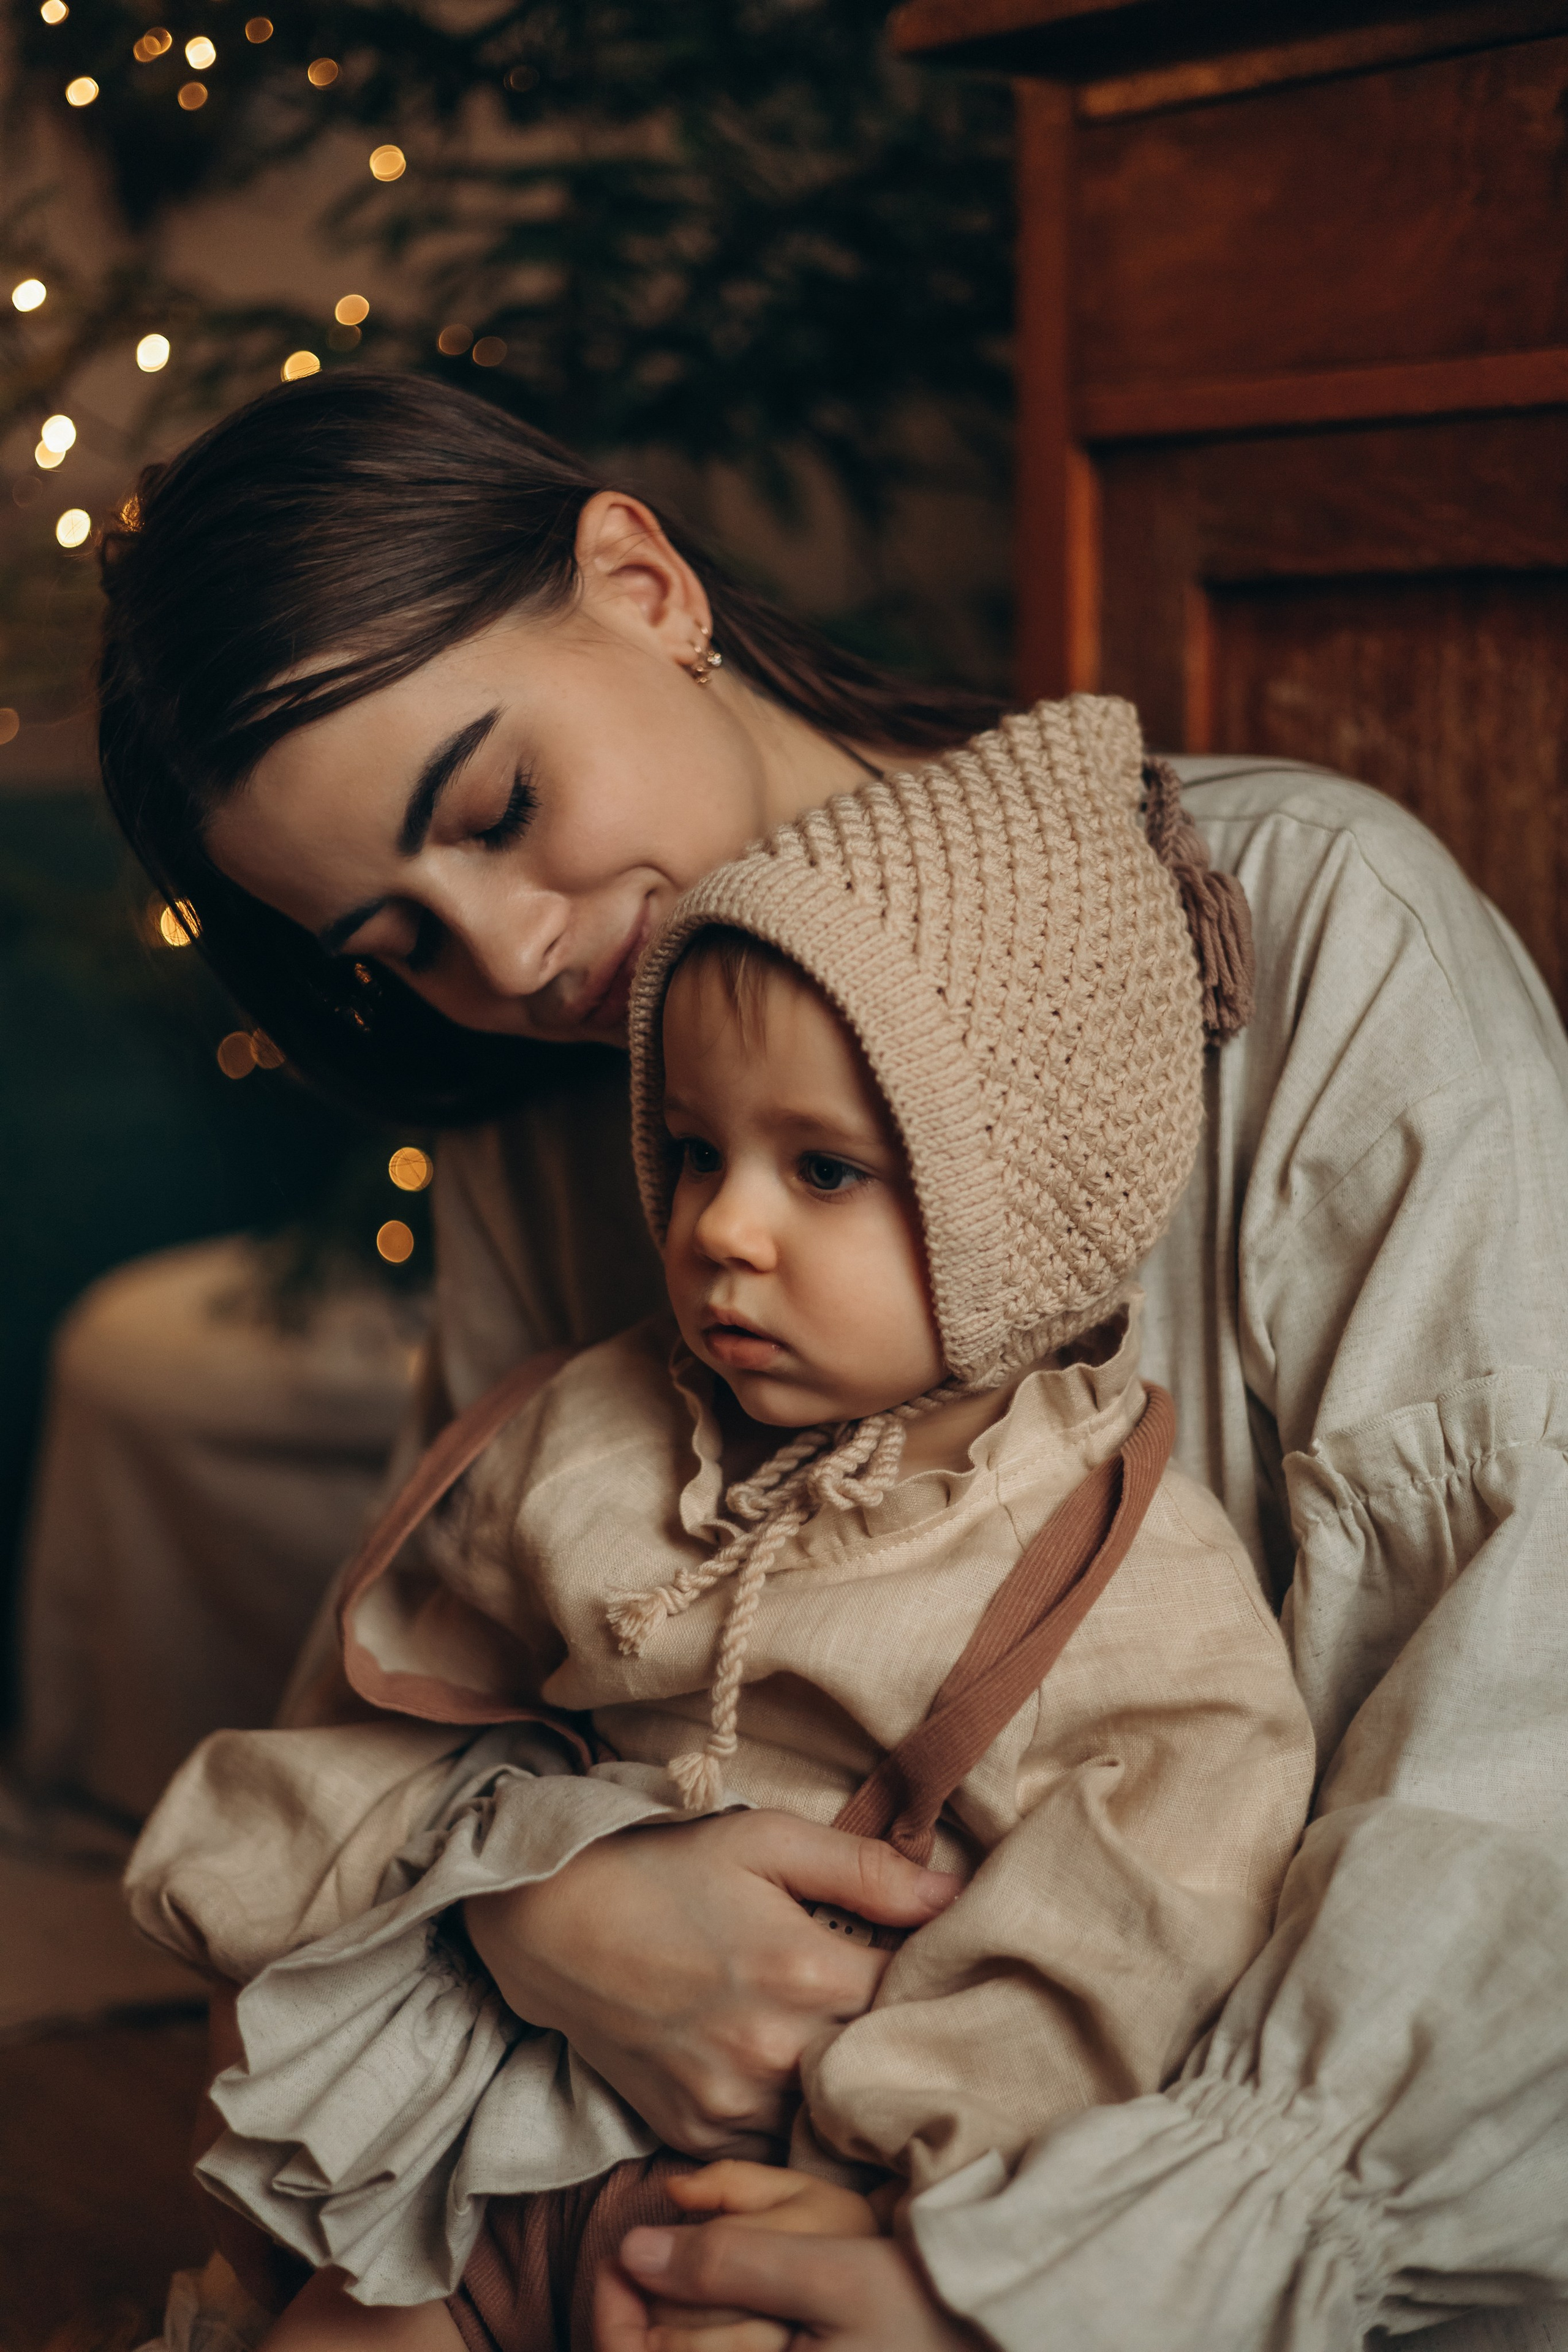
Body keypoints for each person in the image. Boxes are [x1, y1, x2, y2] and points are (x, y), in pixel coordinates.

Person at [99, 374, 1568, 2352]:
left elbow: (1521, 1719)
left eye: (499, 811)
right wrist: (543, 1913)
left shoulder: (1307, 925)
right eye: (401, 940)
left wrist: (1061, 2270)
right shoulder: (549, 1122)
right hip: (655, 2174)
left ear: (643, 584)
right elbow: (432, 1692)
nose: (510, 959)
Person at [127, 695, 1314, 2347]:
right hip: (490, 2134)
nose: (719, 1229)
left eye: (822, 1171)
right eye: (692, 1152)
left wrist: (904, 2169)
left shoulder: (1115, 1566)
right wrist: (345, 1876)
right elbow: (406, 1701)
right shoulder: (595, 1433)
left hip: (788, 2190)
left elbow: (1121, 1931)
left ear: (1024, 1207)